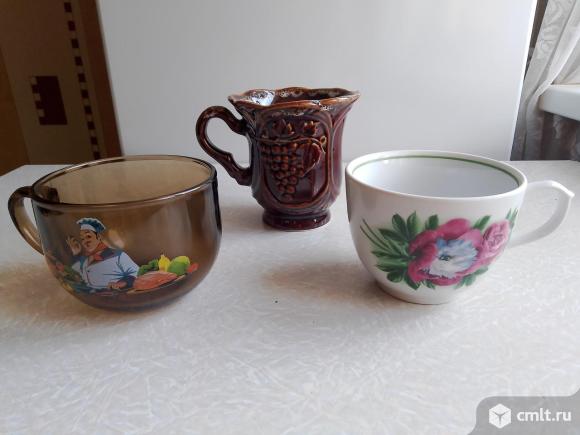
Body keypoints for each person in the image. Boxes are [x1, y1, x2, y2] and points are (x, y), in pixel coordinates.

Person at [66, 218, 138, 292]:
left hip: (116, 295)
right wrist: (77, 254)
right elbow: (75, 276)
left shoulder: (118, 256)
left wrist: (122, 283)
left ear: (99, 237)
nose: (85, 241)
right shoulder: (85, 260)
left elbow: (136, 273)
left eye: (88, 236)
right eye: (82, 239)